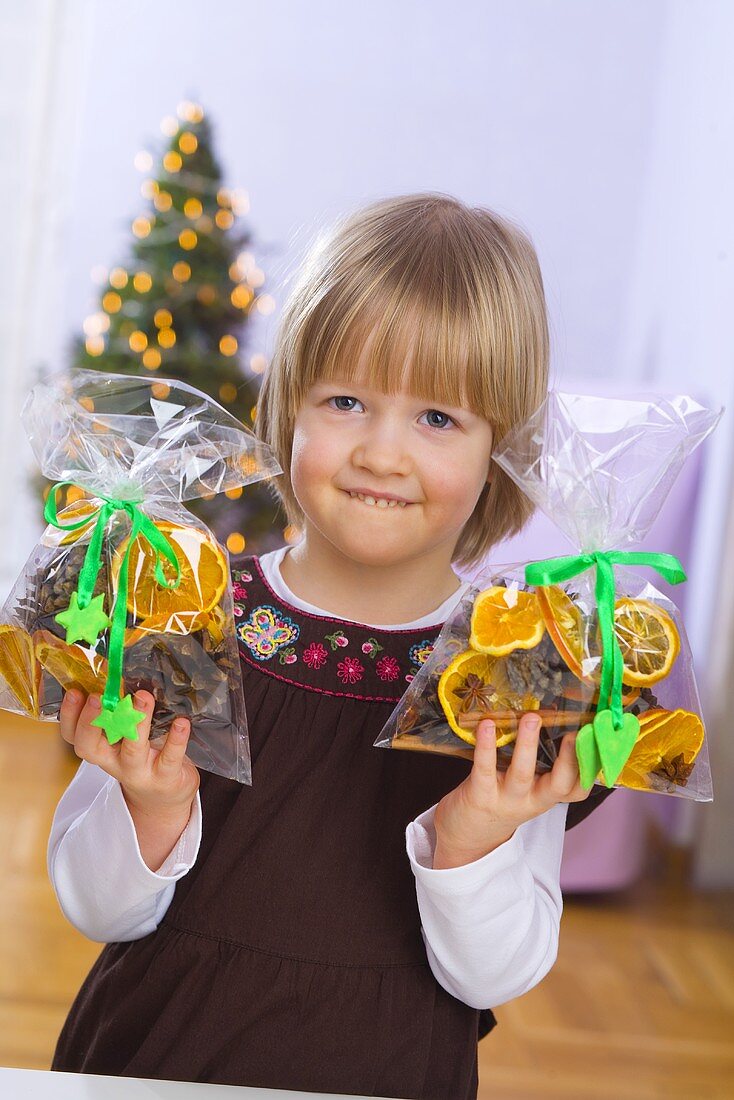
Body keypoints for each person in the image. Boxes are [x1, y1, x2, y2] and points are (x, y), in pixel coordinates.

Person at [48, 193, 613, 1099]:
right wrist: (148, 812)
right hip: (151, 1060)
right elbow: (92, 904)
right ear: (288, 410)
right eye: (346, 400)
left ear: (499, 449)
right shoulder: (188, 617)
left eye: (438, 419)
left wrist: (474, 834)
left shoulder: (516, 672)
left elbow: (494, 975)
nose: (382, 454)